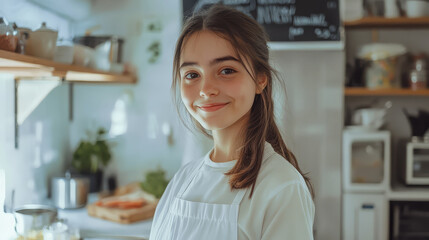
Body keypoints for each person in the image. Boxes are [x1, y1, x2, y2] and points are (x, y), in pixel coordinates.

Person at [149, 4, 315, 240]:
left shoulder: (282, 187)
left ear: (260, 80)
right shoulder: (183, 180)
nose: (206, 90)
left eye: (226, 70)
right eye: (192, 75)